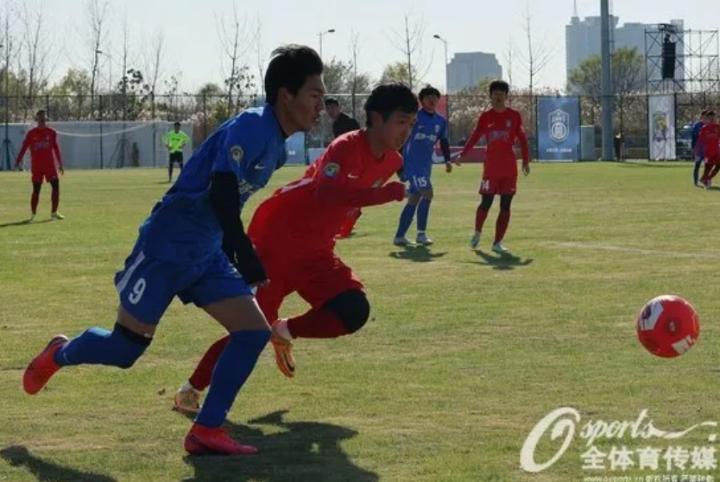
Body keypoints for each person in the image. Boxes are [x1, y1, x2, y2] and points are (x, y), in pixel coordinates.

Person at [21, 45, 325, 456]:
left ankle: (206, 429)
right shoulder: (254, 125)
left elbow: (225, 201)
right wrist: (244, 253)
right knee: (125, 349)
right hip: (167, 246)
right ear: (286, 95)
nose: (321, 105)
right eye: (314, 95)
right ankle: (60, 353)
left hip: (206, 252)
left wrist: (232, 249)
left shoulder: (276, 142)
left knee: (253, 332)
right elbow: (221, 191)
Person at [173, 83, 416, 413]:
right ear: (375, 118)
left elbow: (349, 202)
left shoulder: (392, 161)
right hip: (278, 243)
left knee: (353, 310)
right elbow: (327, 193)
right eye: (401, 122)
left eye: (411, 124)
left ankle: (285, 330)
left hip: (317, 252)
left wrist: (347, 222)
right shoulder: (346, 146)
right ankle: (190, 389)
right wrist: (386, 194)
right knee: (250, 331)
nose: (406, 131)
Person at [456, 80, 530, 253]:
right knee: (486, 202)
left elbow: (522, 139)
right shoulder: (485, 117)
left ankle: (497, 242)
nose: (498, 97)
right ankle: (477, 231)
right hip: (491, 168)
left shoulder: (514, 116)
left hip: (509, 168)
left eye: (501, 94)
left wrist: (526, 160)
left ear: (506, 96)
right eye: (495, 94)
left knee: (506, 205)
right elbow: (475, 136)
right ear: (490, 96)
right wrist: (463, 154)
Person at [393, 85, 455, 246]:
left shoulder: (441, 121)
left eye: (435, 97)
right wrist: (399, 167)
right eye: (428, 97)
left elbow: (444, 141)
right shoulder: (414, 118)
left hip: (426, 165)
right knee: (428, 194)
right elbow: (400, 140)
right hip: (412, 165)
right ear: (422, 100)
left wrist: (448, 160)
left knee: (414, 199)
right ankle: (421, 234)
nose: (432, 100)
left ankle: (399, 236)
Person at [15, 110, 65, 222]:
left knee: (56, 187)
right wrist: (18, 160)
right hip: (37, 167)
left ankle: (54, 213)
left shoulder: (51, 132)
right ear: (37, 120)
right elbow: (24, 147)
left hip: (49, 166)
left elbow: (56, 148)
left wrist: (60, 163)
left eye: (43, 119)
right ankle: (33, 215)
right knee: (36, 190)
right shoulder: (31, 133)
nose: (42, 121)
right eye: (40, 119)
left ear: (45, 119)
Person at [325, 97, 364, 238]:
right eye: (328, 108)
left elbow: (359, 140)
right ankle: (349, 215)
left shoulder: (348, 122)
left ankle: (348, 216)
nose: (330, 111)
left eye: (332, 107)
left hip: (352, 162)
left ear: (338, 108)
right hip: (344, 162)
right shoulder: (336, 123)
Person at [699, 110, 720, 188]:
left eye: (713, 117)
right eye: (710, 117)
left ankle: (707, 179)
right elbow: (701, 140)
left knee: (718, 165)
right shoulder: (704, 128)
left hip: (716, 151)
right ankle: (705, 180)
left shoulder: (718, 127)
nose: (712, 119)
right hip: (708, 152)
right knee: (708, 167)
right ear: (707, 118)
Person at [691, 110, 709, 187]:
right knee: (697, 165)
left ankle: (706, 181)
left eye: (707, 117)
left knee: (708, 165)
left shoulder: (710, 126)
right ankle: (696, 181)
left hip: (708, 149)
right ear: (701, 117)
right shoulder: (697, 126)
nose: (706, 118)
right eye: (704, 117)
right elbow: (693, 137)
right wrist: (693, 148)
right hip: (699, 149)